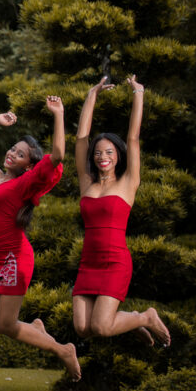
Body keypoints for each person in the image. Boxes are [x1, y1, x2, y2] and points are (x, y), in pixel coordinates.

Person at [0, 97, 81, 380]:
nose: (11, 154)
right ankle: (38, 329)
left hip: (15, 259)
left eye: (19, 155)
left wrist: (59, 114)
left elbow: (57, 155)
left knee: (6, 324)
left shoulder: (25, 183)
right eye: (12, 149)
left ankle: (64, 350)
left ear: (28, 166)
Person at [72, 76, 170, 345]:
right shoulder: (86, 183)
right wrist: (91, 95)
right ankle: (125, 322)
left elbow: (133, 137)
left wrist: (138, 94)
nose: (103, 157)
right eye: (98, 153)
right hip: (89, 260)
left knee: (102, 327)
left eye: (109, 152)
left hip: (115, 261)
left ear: (118, 156)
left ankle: (144, 318)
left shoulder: (128, 182)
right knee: (82, 328)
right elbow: (81, 139)